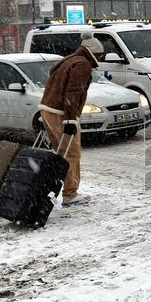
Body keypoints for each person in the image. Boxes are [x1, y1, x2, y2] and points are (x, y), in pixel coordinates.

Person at [38, 34, 103, 205]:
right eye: (99, 55)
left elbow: (52, 83)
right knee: (71, 153)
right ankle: (70, 194)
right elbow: (72, 94)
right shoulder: (82, 64)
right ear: (92, 52)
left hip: (48, 110)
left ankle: (55, 189)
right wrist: (70, 120)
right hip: (61, 113)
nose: (100, 59)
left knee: (61, 153)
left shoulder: (67, 60)